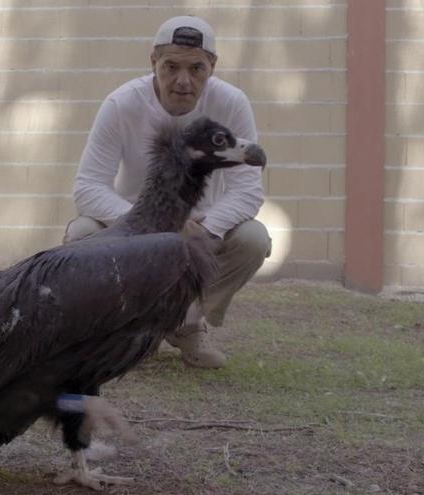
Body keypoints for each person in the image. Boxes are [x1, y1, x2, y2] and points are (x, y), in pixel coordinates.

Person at [63, 16, 271, 369]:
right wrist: (151, 223)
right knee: (82, 234)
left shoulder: (232, 103)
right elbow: (88, 186)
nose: (183, 81)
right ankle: (123, 331)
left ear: (212, 67)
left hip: (200, 230)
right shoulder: (122, 104)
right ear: (153, 63)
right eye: (170, 66)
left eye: (196, 68)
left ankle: (185, 323)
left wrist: (202, 227)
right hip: (133, 227)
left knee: (253, 239)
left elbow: (248, 191)